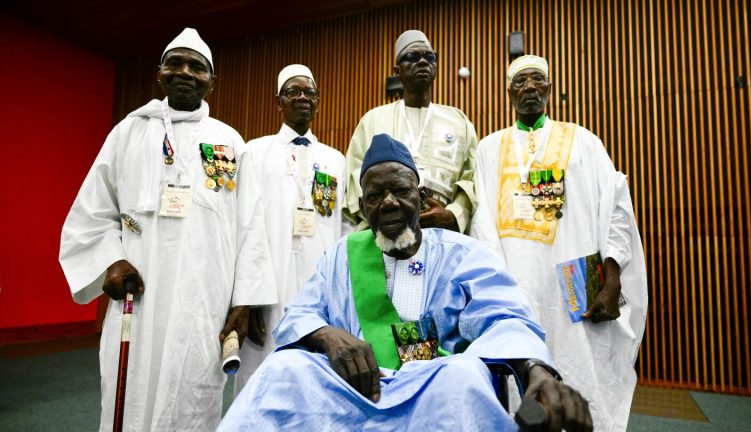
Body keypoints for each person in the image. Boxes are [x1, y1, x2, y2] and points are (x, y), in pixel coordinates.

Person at [220, 134, 592, 431]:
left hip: (433, 387)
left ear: (420, 195)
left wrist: (537, 373)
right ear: (363, 207)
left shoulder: (462, 254)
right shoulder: (340, 256)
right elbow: (300, 313)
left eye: (400, 190)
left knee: (463, 376)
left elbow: (507, 318)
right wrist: (328, 336)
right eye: (375, 196)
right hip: (356, 390)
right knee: (282, 370)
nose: (389, 203)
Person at [59, 28, 277, 431]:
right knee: (130, 397)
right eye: (174, 62)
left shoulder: (229, 142)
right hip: (139, 301)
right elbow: (92, 211)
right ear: (158, 73)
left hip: (204, 305)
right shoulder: (128, 133)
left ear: (213, 81)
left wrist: (244, 302)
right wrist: (112, 262)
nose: (184, 72)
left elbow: (251, 225)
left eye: (197, 66)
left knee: (192, 398)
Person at [470, 55, 648, 431]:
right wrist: (496, 291)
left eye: (538, 80)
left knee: (582, 383)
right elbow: (481, 224)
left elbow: (615, 206)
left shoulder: (584, 140)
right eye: (521, 82)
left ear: (550, 89)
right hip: (516, 290)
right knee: (521, 382)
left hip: (576, 293)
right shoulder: (489, 148)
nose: (530, 87)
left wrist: (613, 275)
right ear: (509, 93)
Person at [235, 64, 345, 394]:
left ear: (318, 101)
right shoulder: (253, 151)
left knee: (315, 381)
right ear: (277, 101)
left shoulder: (335, 159)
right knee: (263, 379)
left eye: (309, 92)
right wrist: (248, 297)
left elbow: (343, 230)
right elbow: (245, 226)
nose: (302, 98)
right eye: (292, 92)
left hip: (318, 286)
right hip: (268, 290)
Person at [343, 30, 478, 233]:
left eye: (429, 57)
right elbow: (354, 180)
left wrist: (453, 214)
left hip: (443, 234)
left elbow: (472, 178)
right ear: (397, 71)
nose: (423, 62)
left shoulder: (459, 121)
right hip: (384, 233)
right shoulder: (373, 119)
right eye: (413, 57)